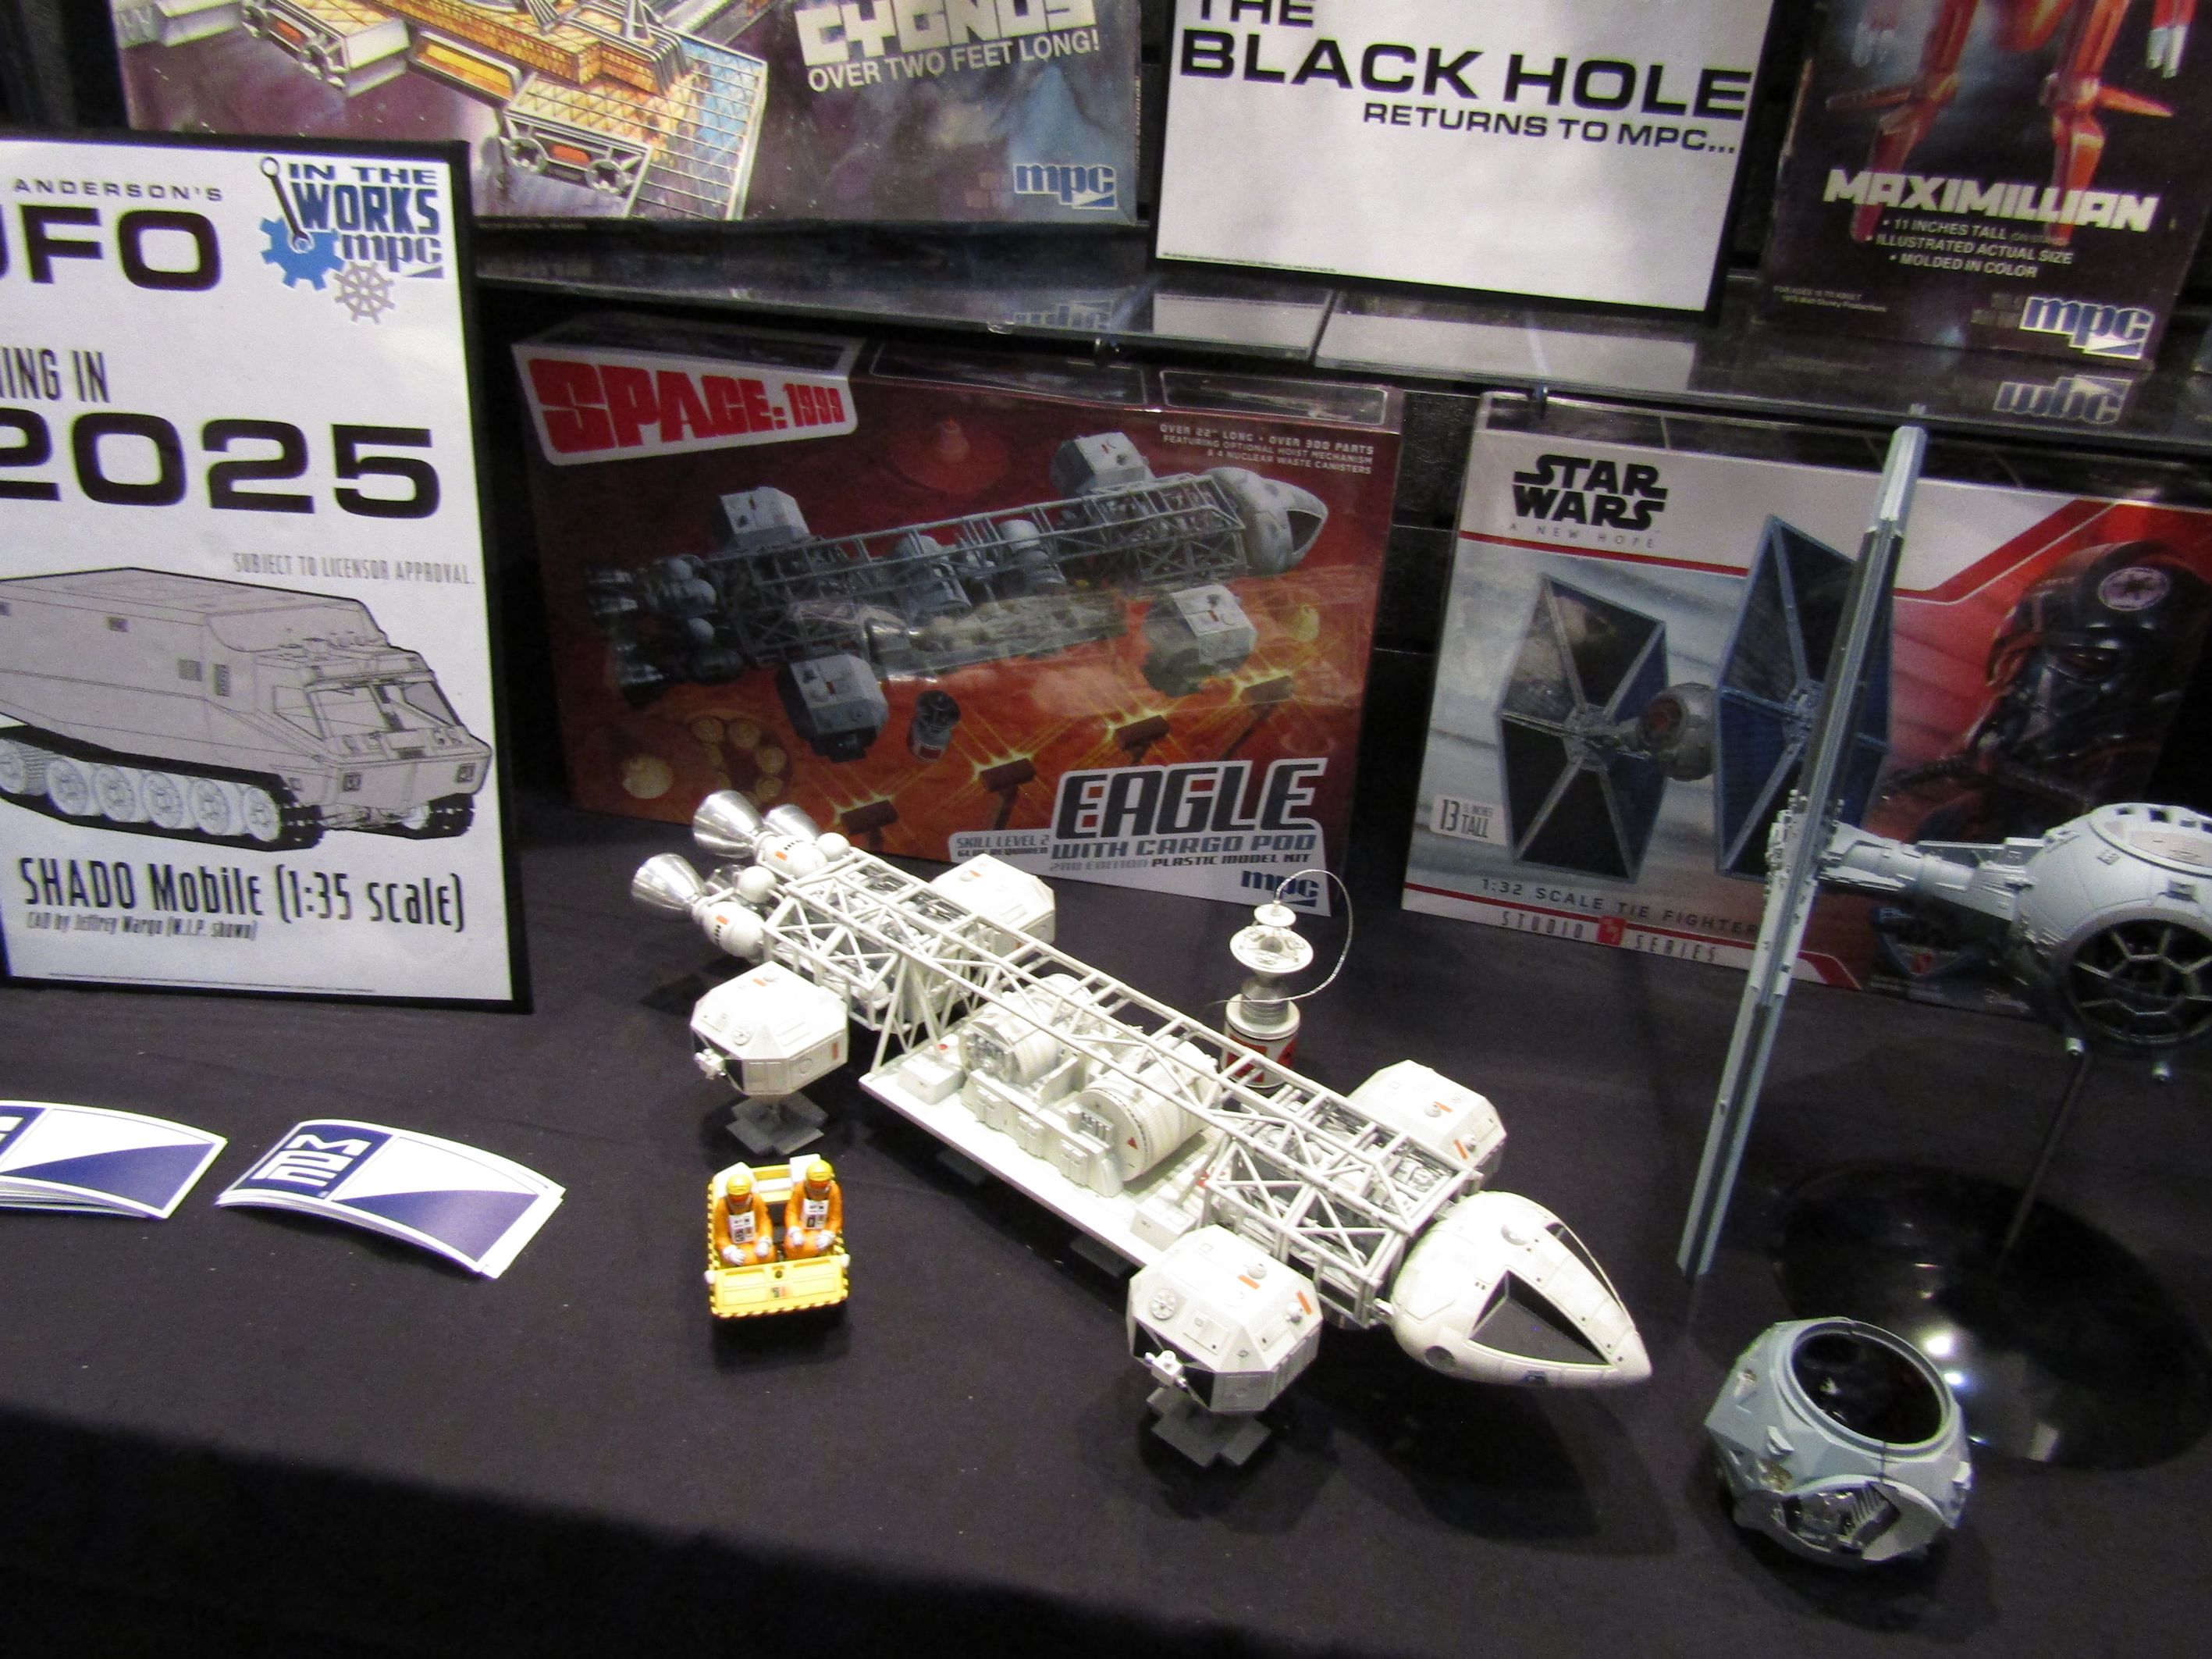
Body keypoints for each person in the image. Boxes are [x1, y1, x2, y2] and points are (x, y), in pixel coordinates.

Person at [784, 1156, 842, 1259]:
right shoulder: (800, 1189)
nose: (817, 1190)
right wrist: (794, 1231)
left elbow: (835, 1217)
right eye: (814, 1185)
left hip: (822, 1226)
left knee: (812, 1246)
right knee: (791, 1245)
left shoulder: (834, 1191)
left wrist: (828, 1234)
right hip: (801, 1224)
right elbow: (792, 1212)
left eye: (822, 1185)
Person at [717, 1166, 774, 1268]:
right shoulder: (723, 1205)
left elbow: (764, 1222)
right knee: (739, 1261)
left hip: (754, 1237)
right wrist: (729, 1250)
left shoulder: (756, 1200)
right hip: (733, 1242)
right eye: (735, 1199)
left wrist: (764, 1240)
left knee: (769, 1254)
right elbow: (720, 1234)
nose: (739, 1202)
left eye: (742, 1198)